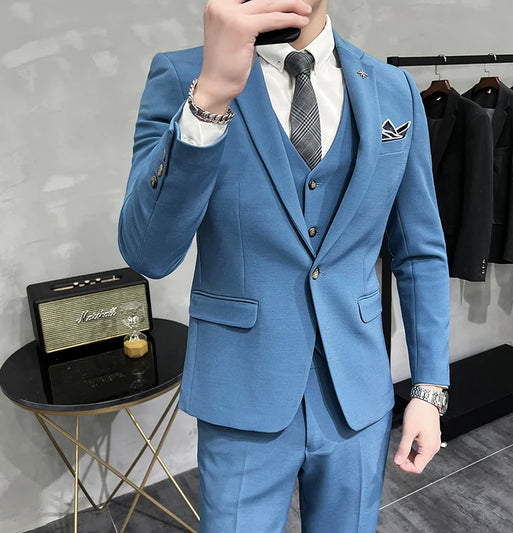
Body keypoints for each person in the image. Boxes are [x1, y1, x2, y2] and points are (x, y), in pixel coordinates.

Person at [118, 1, 450, 531]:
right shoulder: (184, 76)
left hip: (356, 395)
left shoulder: (395, 89)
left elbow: (420, 251)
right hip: (242, 395)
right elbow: (147, 253)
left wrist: (430, 389)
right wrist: (209, 99)